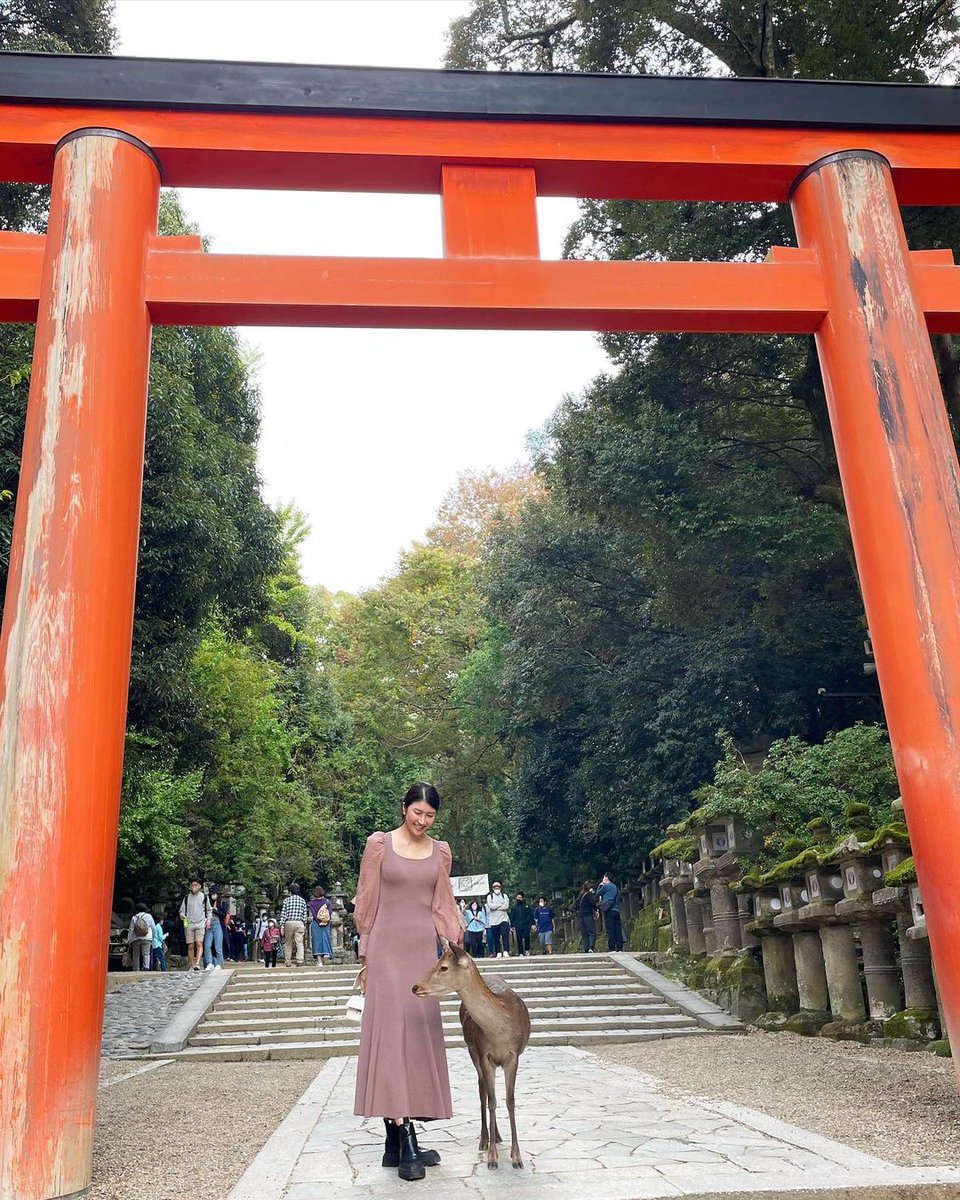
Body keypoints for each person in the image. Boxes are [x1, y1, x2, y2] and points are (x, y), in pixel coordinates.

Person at [353, 781, 463, 1183]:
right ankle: (407, 1140)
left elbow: (443, 904)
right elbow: (366, 900)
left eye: (430, 815)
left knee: (416, 1037)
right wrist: (365, 956)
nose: (422, 820)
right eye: (417, 812)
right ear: (404, 808)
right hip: (385, 950)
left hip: (422, 955)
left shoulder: (440, 852)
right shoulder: (379, 845)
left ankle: (392, 1142)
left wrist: (452, 949)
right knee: (390, 1036)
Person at [179, 876, 209, 972]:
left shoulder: (204, 897)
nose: (194, 887)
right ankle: (192, 964)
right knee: (190, 945)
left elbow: (209, 910)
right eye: (192, 885)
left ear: (200, 886)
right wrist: (183, 916)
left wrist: (208, 920)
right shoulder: (187, 898)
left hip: (200, 923)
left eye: (196, 885)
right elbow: (182, 911)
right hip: (189, 923)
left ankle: (197, 963)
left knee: (199, 943)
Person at [279, 883, 308, 967]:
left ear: (290, 891)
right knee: (299, 942)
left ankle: (288, 961)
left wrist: (281, 926)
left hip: (289, 922)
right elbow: (304, 915)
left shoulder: (286, 901)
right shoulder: (302, 901)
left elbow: (283, 914)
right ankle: (300, 960)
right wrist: (304, 925)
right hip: (299, 922)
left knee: (288, 943)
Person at [597, 872, 624, 951]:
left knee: (610, 929)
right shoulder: (615, 887)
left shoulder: (606, 886)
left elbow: (597, 893)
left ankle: (612, 947)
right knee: (618, 929)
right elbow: (617, 899)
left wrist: (600, 884)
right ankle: (619, 946)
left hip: (609, 910)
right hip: (616, 909)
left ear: (606, 878)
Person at [203, 886, 228, 971]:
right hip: (208, 924)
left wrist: (214, 910)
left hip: (218, 925)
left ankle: (219, 963)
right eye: (211, 894)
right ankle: (209, 963)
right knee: (207, 945)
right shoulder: (207, 902)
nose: (213, 895)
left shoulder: (222, 903)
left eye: (214, 893)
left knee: (218, 946)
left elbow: (223, 914)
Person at [309, 885, 334, 966]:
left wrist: (319, 921)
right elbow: (330, 912)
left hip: (316, 924)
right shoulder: (327, 902)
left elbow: (314, 914)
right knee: (325, 939)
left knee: (317, 941)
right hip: (326, 923)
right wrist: (325, 921)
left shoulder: (312, 903)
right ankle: (326, 955)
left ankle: (319, 961)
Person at [485, 880, 511, 958]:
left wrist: (496, 906)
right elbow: (491, 906)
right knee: (496, 937)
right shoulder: (490, 896)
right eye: (495, 887)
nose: (497, 888)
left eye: (498, 887)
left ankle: (506, 951)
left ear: (500, 887)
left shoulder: (504, 896)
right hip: (494, 921)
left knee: (505, 935)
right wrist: (500, 905)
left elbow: (506, 906)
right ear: (493, 888)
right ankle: (498, 952)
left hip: (504, 919)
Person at [127, 903, 155, 971]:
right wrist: (153, 937)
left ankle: (136, 969)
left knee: (136, 955)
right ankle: (146, 967)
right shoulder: (149, 916)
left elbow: (131, 929)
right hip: (147, 938)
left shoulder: (134, 917)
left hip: (136, 938)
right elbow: (153, 927)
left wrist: (129, 940)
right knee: (146, 954)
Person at [578, 881, 599, 953]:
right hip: (588, 915)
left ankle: (586, 948)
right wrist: (596, 910)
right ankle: (591, 947)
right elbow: (592, 902)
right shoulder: (588, 894)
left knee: (584, 933)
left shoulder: (581, 894)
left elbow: (575, 905)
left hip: (581, 916)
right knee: (592, 932)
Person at [510, 892, 532, 956]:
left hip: (526, 925)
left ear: (523, 898)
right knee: (519, 939)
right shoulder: (514, 907)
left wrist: (532, 923)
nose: (518, 899)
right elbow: (512, 916)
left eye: (520, 897)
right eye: (517, 897)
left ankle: (527, 950)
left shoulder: (526, 906)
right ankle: (521, 952)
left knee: (527, 937)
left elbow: (530, 915)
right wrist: (512, 925)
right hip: (518, 925)